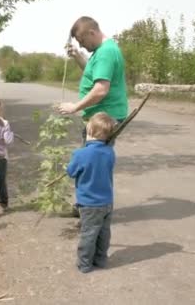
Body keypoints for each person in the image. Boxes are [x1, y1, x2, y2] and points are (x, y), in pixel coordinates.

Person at [57, 16, 129, 145]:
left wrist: (74, 107)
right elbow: (94, 75)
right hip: (103, 117)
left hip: (103, 118)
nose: (81, 45)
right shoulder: (104, 49)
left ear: (92, 32)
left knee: (94, 160)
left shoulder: (105, 53)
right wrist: (77, 56)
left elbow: (100, 90)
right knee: (96, 158)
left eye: (82, 40)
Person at [66, 112, 116, 273]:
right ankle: (101, 259)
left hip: (89, 203)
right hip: (107, 202)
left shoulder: (80, 154)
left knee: (89, 233)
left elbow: (71, 172)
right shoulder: (110, 152)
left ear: (89, 131)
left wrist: (71, 163)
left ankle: (85, 263)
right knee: (104, 232)